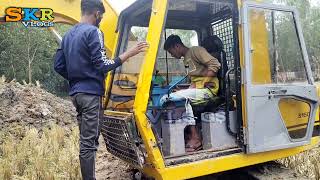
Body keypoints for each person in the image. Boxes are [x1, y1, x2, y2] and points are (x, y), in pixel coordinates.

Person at [54, 0, 148, 179]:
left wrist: (77, 77)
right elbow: (103, 64)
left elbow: (58, 66)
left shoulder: (67, 36)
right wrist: (130, 52)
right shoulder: (94, 31)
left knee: (85, 141)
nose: (101, 19)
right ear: (97, 13)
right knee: (89, 144)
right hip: (90, 95)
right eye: (101, 16)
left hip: (76, 94)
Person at [162, 34, 220, 152]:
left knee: (178, 99)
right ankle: (186, 134)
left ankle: (195, 138)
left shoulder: (195, 51)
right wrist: (186, 90)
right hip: (199, 89)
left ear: (177, 46)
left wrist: (205, 82)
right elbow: (195, 81)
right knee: (170, 97)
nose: (172, 55)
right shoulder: (186, 59)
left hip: (209, 90)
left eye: (171, 52)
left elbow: (215, 64)